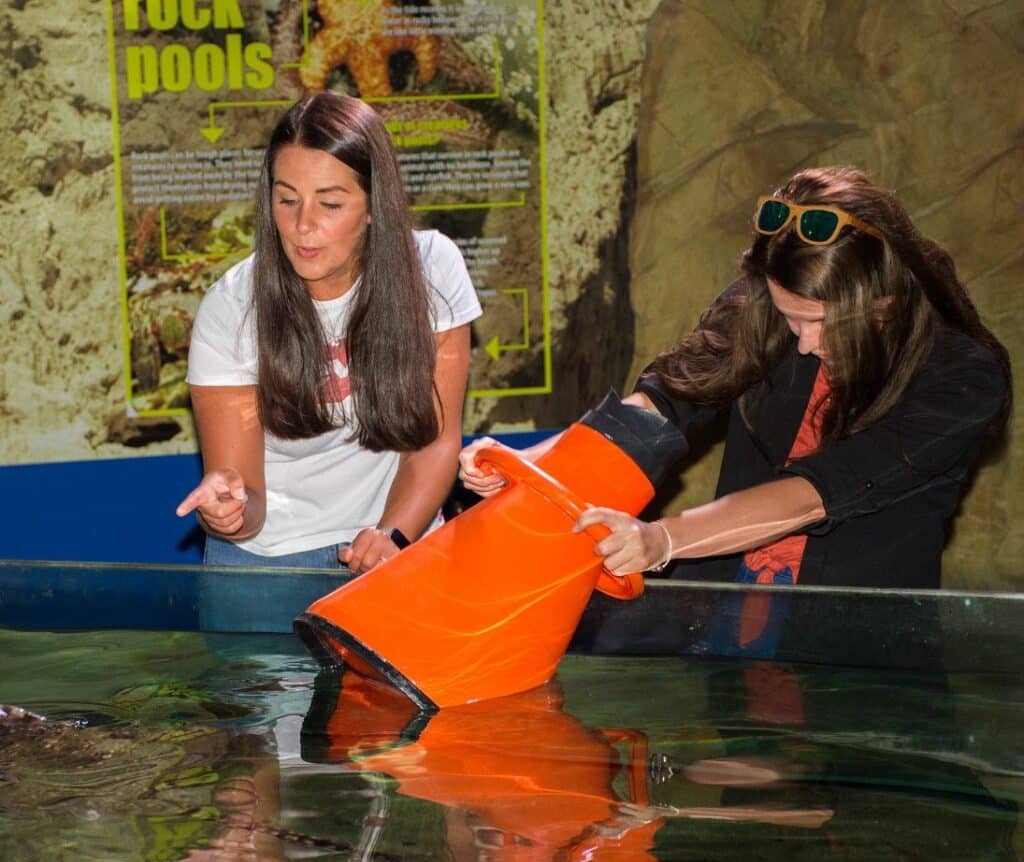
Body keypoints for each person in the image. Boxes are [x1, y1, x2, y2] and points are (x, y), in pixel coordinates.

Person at [459, 167, 1012, 589]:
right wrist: (536, 466)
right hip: (732, 600)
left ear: (884, 305)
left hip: (857, 633)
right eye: (788, 315)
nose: (801, 341)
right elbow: (666, 401)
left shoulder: (961, 378)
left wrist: (661, 539)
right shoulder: (765, 307)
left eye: (817, 322)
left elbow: (813, 496)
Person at [176, 91, 482, 571]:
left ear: (373, 206)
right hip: (268, 561)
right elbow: (247, 501)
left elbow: (436, 442)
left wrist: (392, 534)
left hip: (400, 534)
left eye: (331, 203)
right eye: (287, 199)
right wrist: (229, 510)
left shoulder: (433, 268)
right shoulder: (231, 307)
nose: (302, 225)